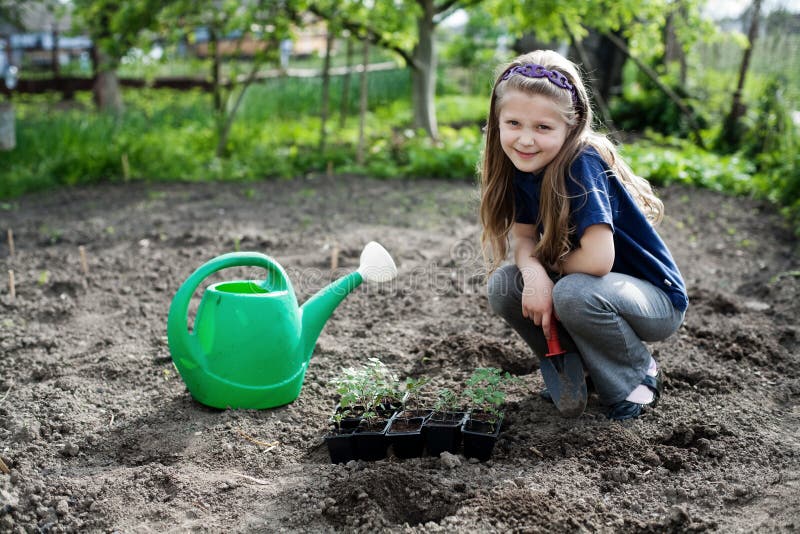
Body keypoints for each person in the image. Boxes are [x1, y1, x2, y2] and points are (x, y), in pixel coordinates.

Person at [480, 50, 688, 420]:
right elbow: (524, 240)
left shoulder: (581, 163)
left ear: (571, 127)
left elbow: (597, 260)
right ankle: (580, 369)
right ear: (496, 122)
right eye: (514, 123)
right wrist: (534, 274)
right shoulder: (521, 168)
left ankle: (637, 372)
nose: (525, 140)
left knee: (571, 292)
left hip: (652, 302)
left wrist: (545, 268)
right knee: (506, 285)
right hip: (591, 288)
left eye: (543, 128)